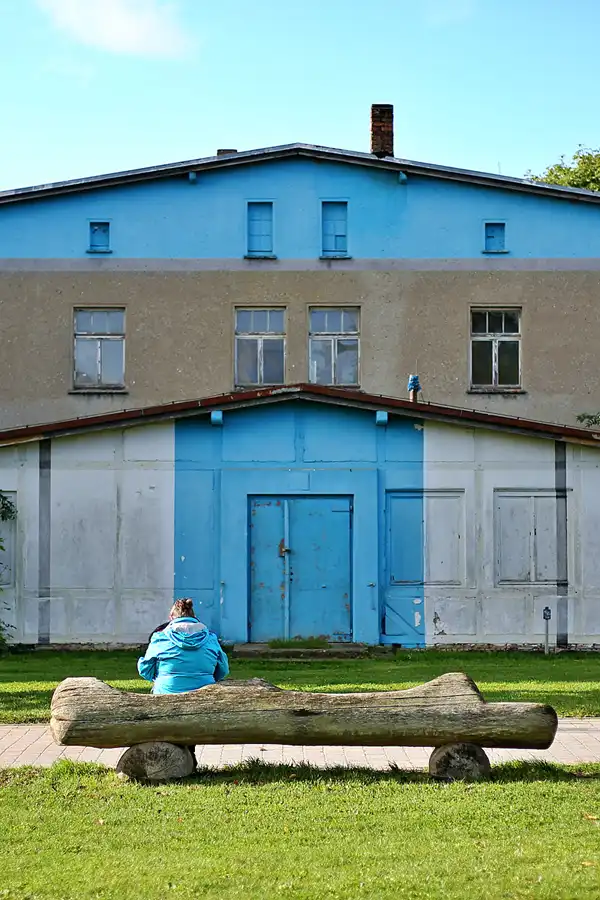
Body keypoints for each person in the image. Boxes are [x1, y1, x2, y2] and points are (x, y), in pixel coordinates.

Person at [137, 598, 229, 769]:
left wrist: (158, 676)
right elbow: (223, 669)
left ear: (171, 617)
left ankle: (176, 758)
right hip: (203, 699)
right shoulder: (210, 638)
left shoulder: (160, 638)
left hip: (166, 698)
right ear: (194, 617)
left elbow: (145, 670)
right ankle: (188, 754)